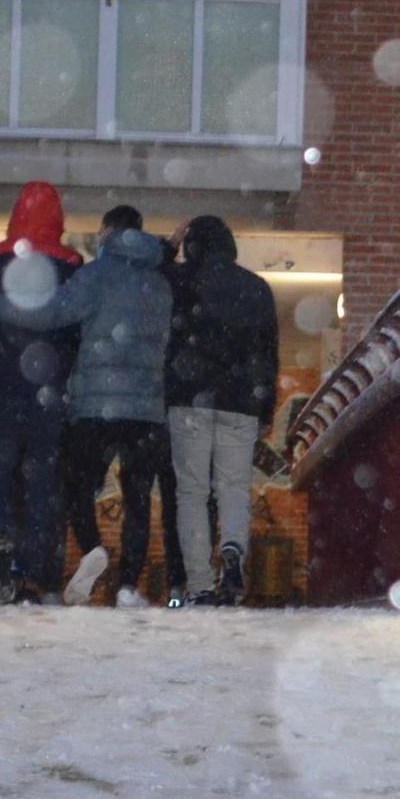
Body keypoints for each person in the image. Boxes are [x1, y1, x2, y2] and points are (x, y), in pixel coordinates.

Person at [0, 204, 172, 608]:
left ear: (107, 231)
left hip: (95, 403)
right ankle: (128, 584)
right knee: (138, 498)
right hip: (146, 409)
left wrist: (3, 304)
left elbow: (54, 313)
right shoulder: (161, 285)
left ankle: (93, 547)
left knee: (76, 485)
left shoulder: (95, 276)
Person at [0, 182, 84, 603]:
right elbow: (79, 332)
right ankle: (38, 571)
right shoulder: (73, 268)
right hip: (49, 393)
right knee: (42, 482)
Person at [165, 215, 278, 606]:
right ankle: (232, 551)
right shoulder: (257, 288)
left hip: (188, 398)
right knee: (232, 489)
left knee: (192, 493)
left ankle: (200, 585)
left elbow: (154, 276)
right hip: (241, 402)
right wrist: (265, 407)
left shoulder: (180, 281)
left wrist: (170, 246)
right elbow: (268, 354)